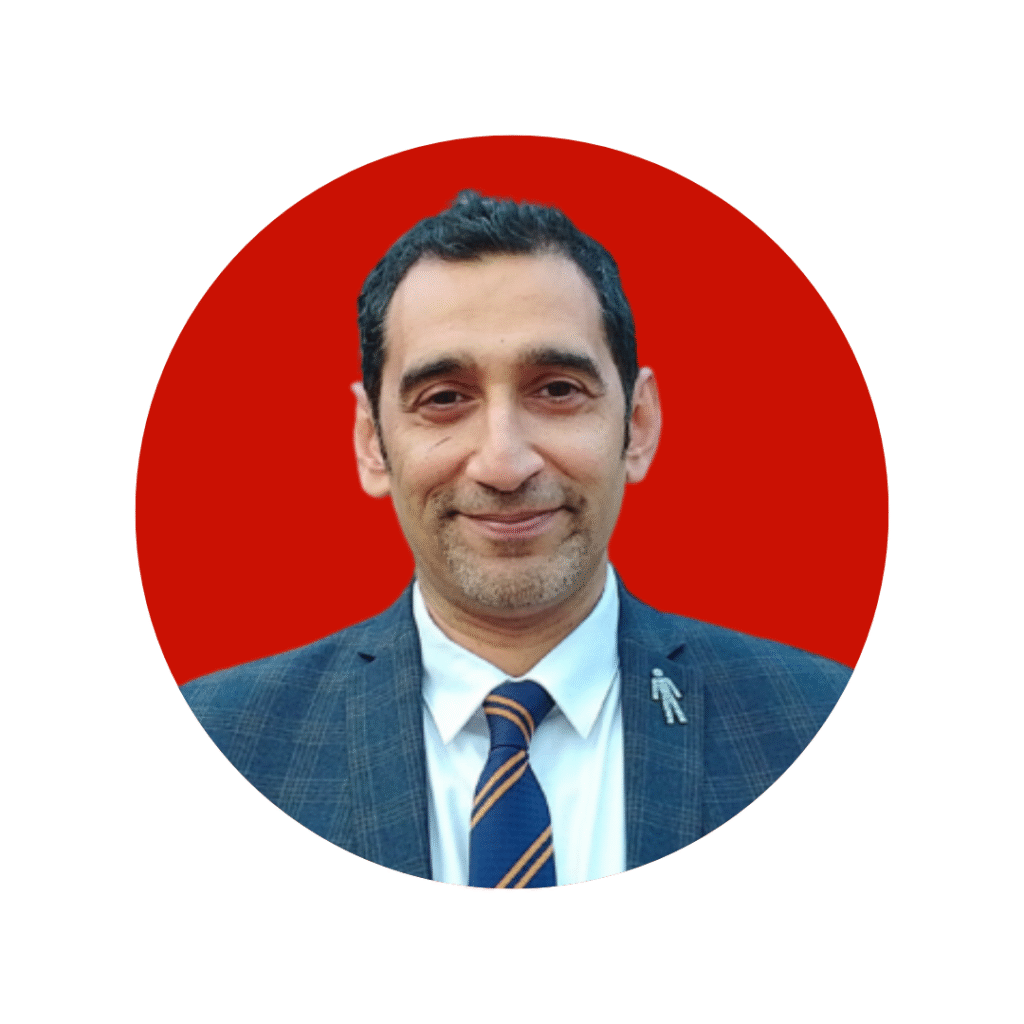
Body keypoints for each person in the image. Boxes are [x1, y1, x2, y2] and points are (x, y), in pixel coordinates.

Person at [181, 191, 851, 887]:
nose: (503, 463)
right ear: (372, 443)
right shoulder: (215, 746)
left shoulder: (818, 729)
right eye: (444, 398)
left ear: (639, 425)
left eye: (557, 390)